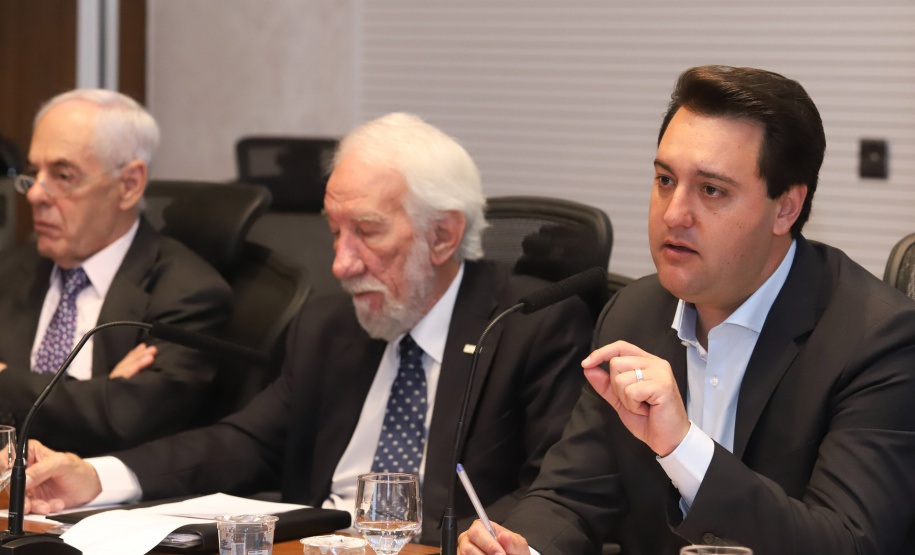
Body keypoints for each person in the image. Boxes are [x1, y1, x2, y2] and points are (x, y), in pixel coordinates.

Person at [21, 112, 592, 544]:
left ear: (442, 236)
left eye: (366, 232)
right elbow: (243, 442)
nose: (341, 264)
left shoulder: (528, 327)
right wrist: (97, 476)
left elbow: (554, 493)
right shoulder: (329, 323)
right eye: (334, 232)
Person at [459, 66, 915, 555]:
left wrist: (682, 447)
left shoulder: (877, 339)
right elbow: (570, 497)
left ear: (785, 208)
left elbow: (849, 543)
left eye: (711, 189)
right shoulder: (634, 313)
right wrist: (520, 548)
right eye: (664, 179)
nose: (673, 213)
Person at [0, 89, 232, 457]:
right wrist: (99, 394)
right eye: (33, 173)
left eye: (62, 175)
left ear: (129, 185)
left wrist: (4, 380)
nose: (35, 195)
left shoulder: (188, 292)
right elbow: (105, 412)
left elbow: (127, 422)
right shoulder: (10, 269)